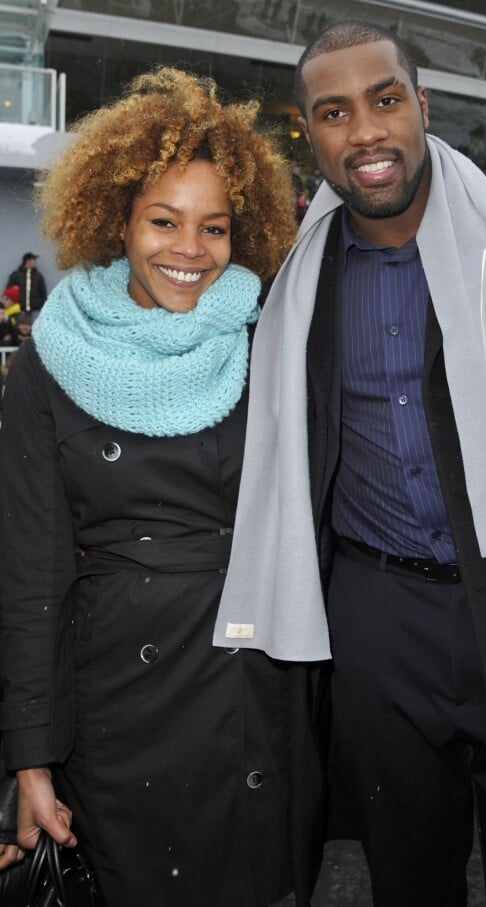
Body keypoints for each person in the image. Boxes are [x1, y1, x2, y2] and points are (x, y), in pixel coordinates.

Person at [215, 19, 486, 907]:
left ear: (423, 105)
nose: (366, 132)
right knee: (405, 872)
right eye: (334, 113)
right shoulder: (289, 280)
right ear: (310, 134)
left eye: (384, 101)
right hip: (378, 620)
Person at [0, 66, 325, 907]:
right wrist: (29, 755)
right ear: (118, 219)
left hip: (246, 680)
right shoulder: (51, 357)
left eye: (213, 227)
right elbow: (32, 570)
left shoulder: (269, 341)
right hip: (118, 698)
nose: (190, 249)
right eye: (164, 221)